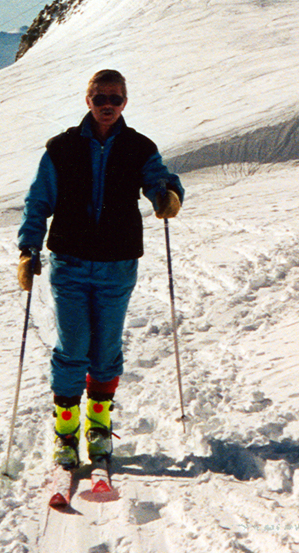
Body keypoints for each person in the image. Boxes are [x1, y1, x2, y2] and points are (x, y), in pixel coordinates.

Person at [17, 69, 184, 470]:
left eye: (116, 99)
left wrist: (168, 194)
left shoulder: (140, 147)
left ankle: (99, 427)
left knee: (106, 349)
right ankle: (66, 432)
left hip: (117, 263)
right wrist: (28, 247)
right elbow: (39, 200)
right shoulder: (61, 148)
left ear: (125, 102)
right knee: (73, 348)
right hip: (70, 262)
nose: (108, 106)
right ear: (88, 101)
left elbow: (159, 179)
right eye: (100, 98)